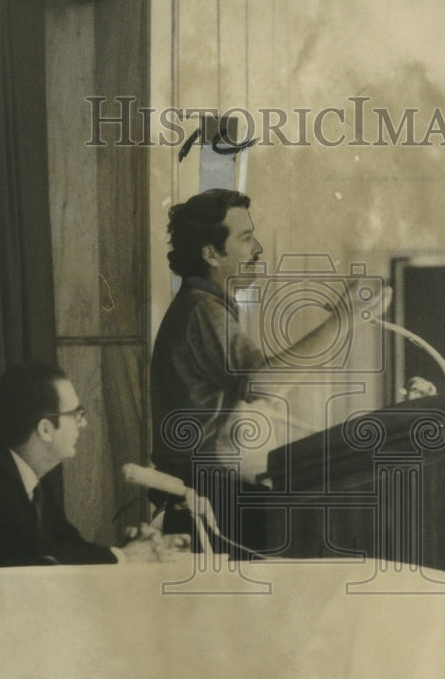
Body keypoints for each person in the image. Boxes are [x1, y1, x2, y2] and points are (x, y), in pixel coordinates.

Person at [150, 188, 389, 553]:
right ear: (211, 253)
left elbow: (268, 385)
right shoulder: (202, 311)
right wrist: (343, 320)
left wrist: (346, 322)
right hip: (213, 500)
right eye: (245, 238)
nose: (258, 248)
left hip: (217, 497)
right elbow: (266, 383)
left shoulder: (206, 307)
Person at [0, 362, 178, 567]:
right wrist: (125, 557)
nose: (83, 424)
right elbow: (44, 557)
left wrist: (125, 551)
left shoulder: (24, 476)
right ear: (46, 429)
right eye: (76, 414)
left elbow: (69, 545)